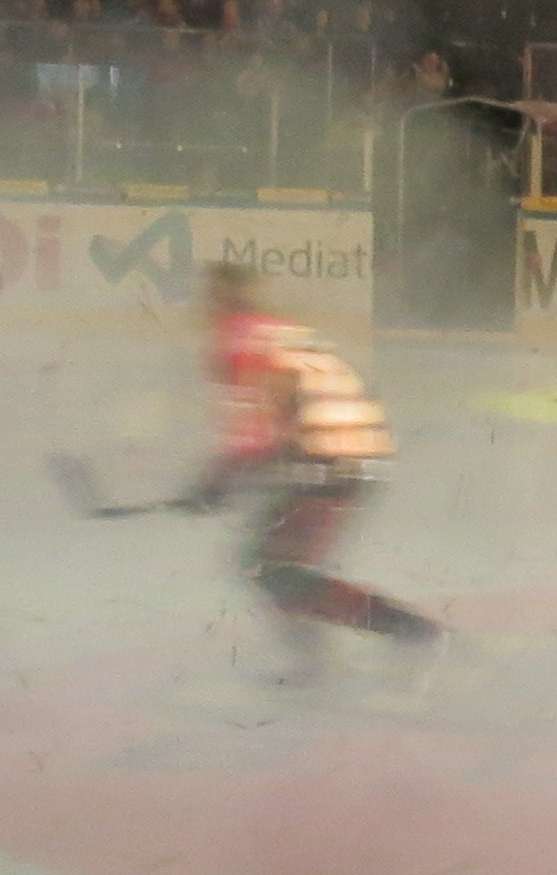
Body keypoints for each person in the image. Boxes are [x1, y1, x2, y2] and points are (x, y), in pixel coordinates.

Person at [177, 262, 438, 683]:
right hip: (344, 454)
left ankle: (405, 632)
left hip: (332, 459)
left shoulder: (241, 340)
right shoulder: (268, 331)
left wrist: (215, 484)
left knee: (273, 568)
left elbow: (259, 430)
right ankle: (364, 644)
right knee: (276, 567)